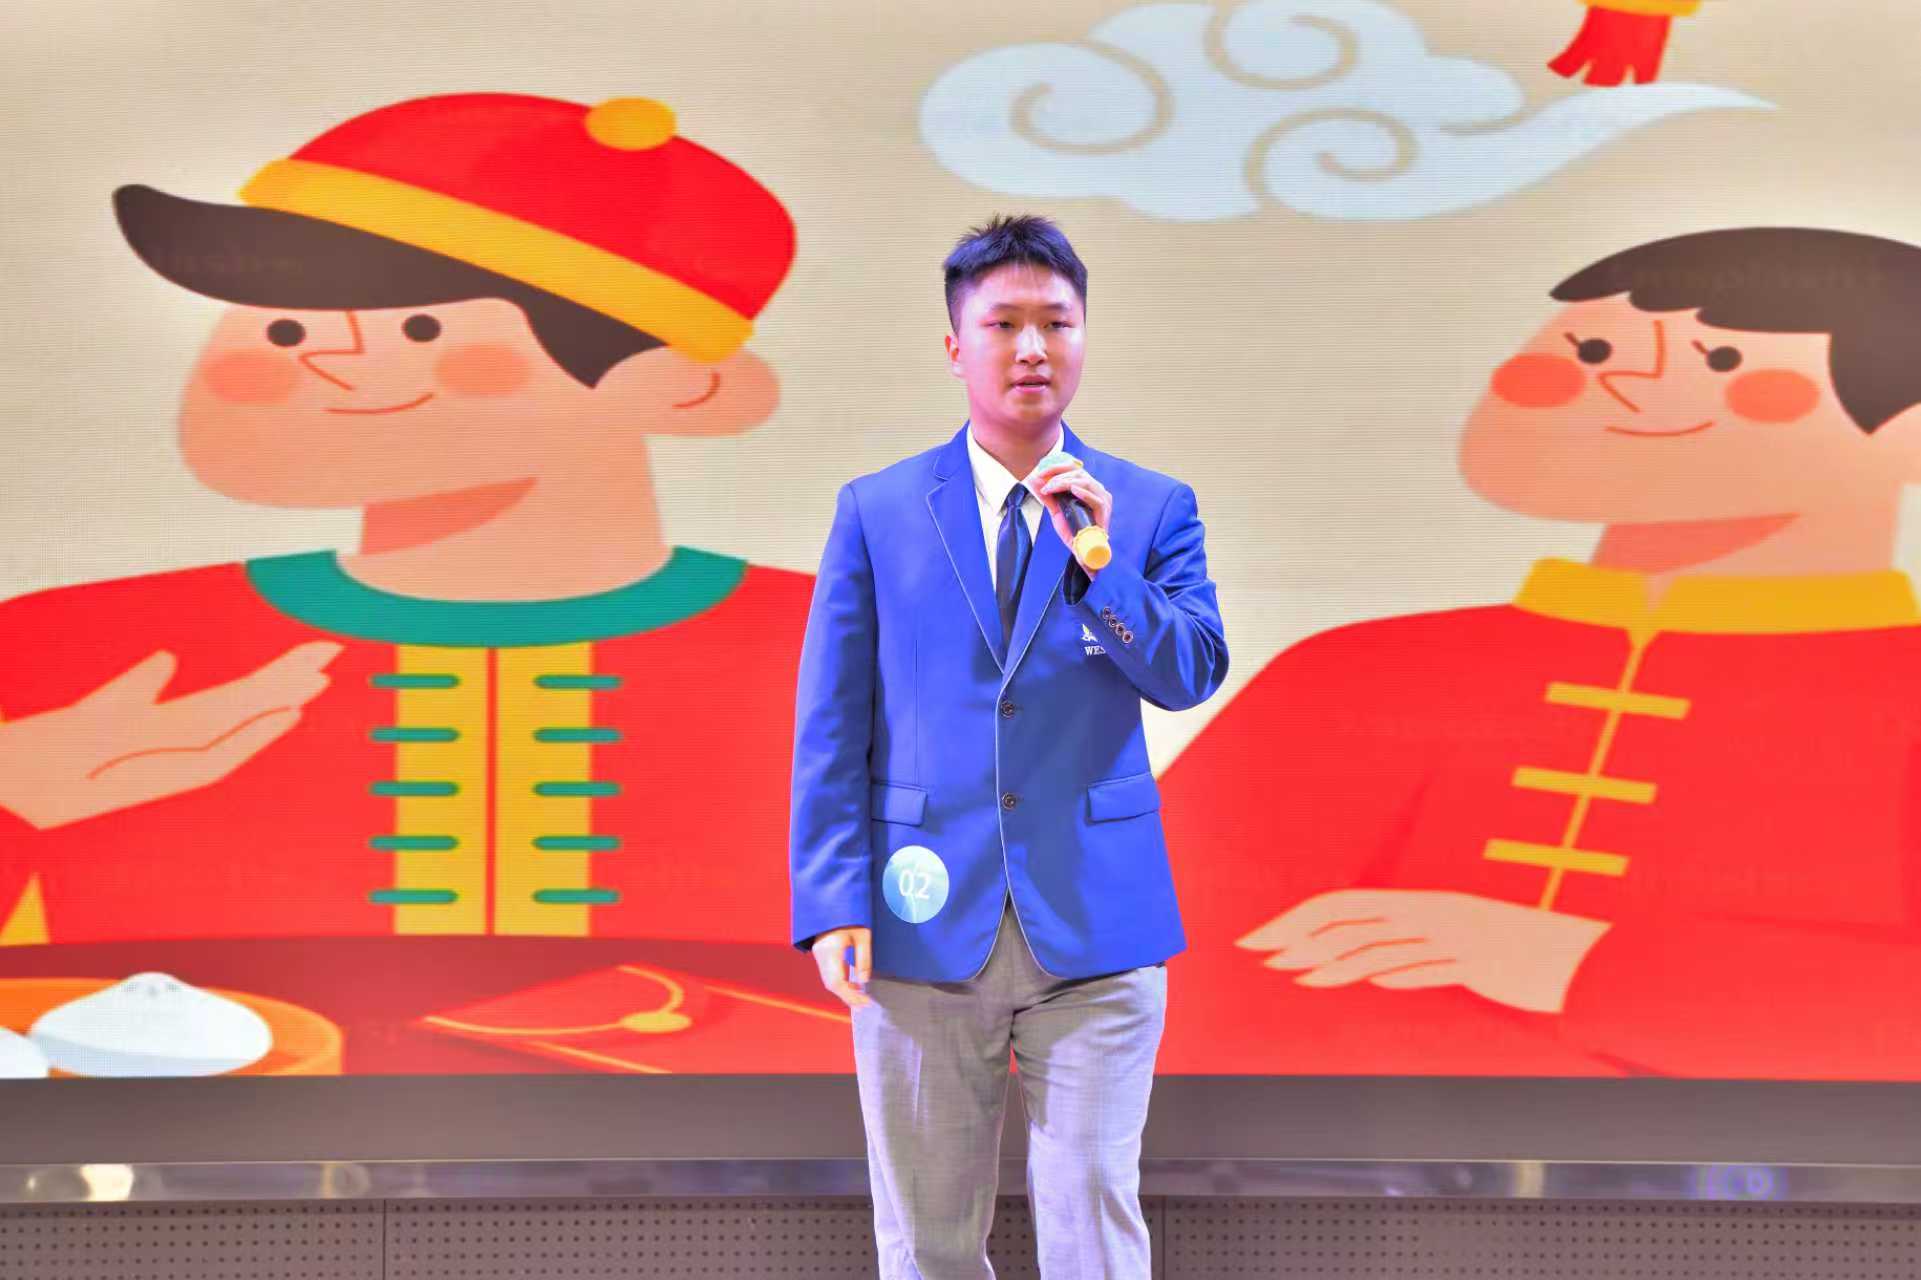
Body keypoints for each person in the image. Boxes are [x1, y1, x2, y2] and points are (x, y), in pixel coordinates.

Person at [0, 92, 809, 953]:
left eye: (421, 325)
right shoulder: (68, 647)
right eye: (282, 327)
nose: (326, 362)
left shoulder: (848, 645)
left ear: (685, 388)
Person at [1155, 227, 1921, 1081]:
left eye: (1719, 362)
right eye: (1588, 352)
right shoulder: (1355, 669)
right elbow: (1141, 954)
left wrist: (1577, 965)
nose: (1622, 385)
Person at [788, 214, 1229, 1278]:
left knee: (1091, 1214)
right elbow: (832, 718)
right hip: (918, 915)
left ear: (1084, 337)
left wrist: (1104, 564)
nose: (1032, 347)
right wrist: (832, 897)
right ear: (956, 346)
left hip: (1096, 917)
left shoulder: (1148, 506)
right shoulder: (880, 509)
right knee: (927, 1231)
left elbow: (1188, 672)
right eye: (1003, 324)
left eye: (1056, 323)